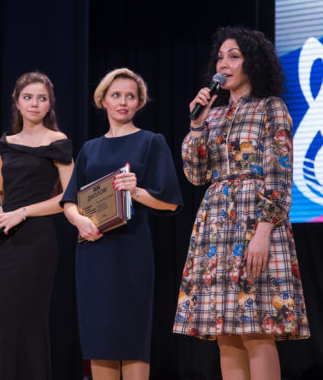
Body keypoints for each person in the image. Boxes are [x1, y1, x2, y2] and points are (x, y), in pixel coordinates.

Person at [173, 26, 310, 380]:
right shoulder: (213, 115)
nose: (224, 64)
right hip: (216, 225)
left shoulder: (271, 107)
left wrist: (264, 231)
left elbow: (279, 172)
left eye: (234, 56)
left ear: (253, 63)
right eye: (220, 57)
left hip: (255, 220)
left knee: (256, 329)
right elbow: (196, 174)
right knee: (226, 333)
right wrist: (197, 125)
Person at [62, 68, 183, 380]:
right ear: (103, 100)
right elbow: (70, 200)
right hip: (93, 251)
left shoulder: (151, 142)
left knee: (132, 339)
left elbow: (170, 202)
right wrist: (78, 221)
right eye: (116, 95)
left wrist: (136, 191)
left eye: (131, 96)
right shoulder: (90, 148)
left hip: (132, 250)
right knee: (99, 337)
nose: (123, 102)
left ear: (139, 103)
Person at [0, 72, 73, 380]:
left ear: (49, 104)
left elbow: (68, 198)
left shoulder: (57, 141)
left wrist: (22, 213)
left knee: (27, 322)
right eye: (28, 97)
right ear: (16, 102)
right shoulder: (5, 144)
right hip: (4, 242)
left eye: (42, 98)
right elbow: (1, 193)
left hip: (37, 242)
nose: (34, 103)